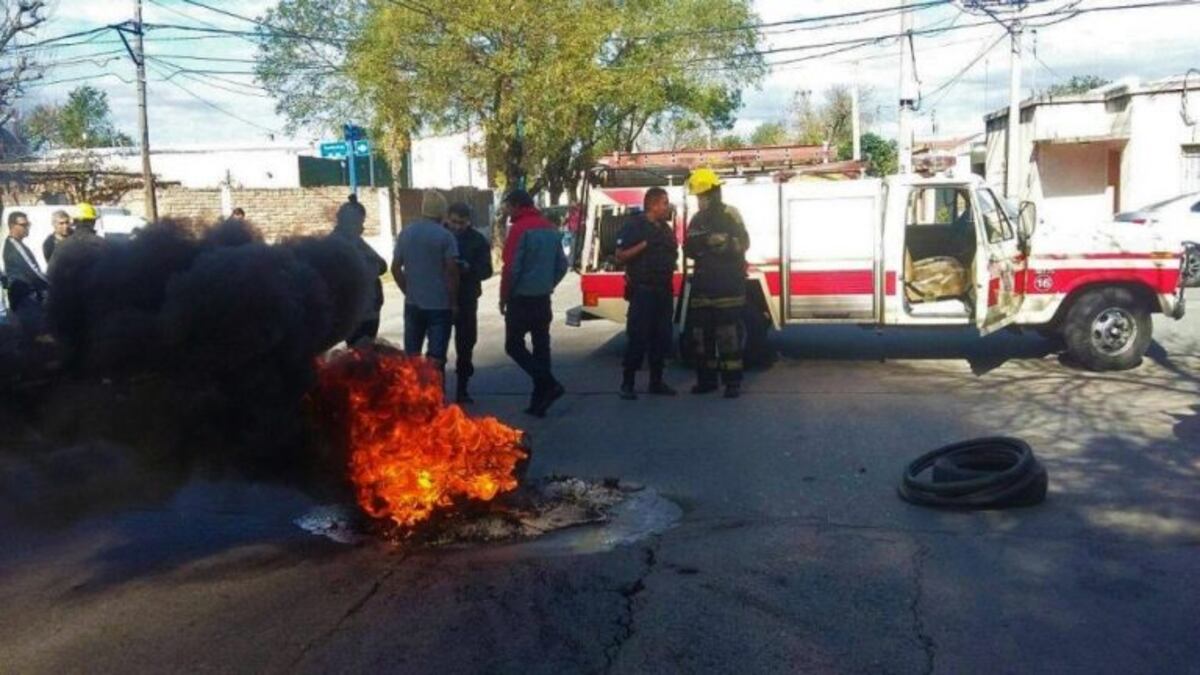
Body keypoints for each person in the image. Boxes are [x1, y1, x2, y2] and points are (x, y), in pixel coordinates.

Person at [500, 189, 569, 417]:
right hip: (542, 299)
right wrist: (548, 284)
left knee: (514, 346)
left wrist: (504, 296)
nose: (506, 210)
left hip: (521, 299)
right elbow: (562, 265)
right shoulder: (549, 228)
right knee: (541, 348)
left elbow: (511, 268)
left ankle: (549, 384)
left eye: (508, 205)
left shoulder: (519, 230)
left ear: (517, 205)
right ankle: (539, 403)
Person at [683, 168, 750, 399]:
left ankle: (732, 383)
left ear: (713, 194)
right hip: (703, 289)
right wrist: (705, 242)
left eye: (702, 196)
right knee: (701, 338)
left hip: (728, 287)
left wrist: (722, 243)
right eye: (697, 197)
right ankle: (706, 380)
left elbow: (744, 243)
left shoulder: (731, 214)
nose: (699, 201)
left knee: (728, 336)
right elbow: (688, 247)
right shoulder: (696, 219)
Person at [615, 187, 678, 400]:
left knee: (661, 338)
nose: (666, 207)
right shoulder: (635, 226)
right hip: (643, 291)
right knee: (638, 338)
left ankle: (656, 381)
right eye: (663, 203)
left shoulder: (665, 229)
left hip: (663, 290)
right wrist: (644, 245)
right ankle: (628, 383)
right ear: (652, 204)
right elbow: (621, 255)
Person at [393, 190, 459, 383]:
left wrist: (408, 290)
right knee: (435, 360)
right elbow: (452, 272)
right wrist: (454, 303)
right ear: (442, 213)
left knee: (412, 357)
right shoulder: (445, 237)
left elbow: (395, 268)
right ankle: (435, 400)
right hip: (440, 306)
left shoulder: (406, 233)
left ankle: (413, 401)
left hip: (413, 305)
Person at [445, 202, 493, 404]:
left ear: (468, 222)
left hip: (467, 298)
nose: (457, 227)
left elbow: (487, 270)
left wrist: (468, 268)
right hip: (443, 299)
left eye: (462, 223)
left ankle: (462, 389)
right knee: (438, 347)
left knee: (465, 345)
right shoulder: (441, 236)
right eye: (454, 222)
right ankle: (436, 391)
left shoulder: (477, 240)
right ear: (448, 218)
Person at [333, 197, 387, 345]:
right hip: (358, 310)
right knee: (360, 354)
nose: (362, 226)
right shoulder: (342, 244)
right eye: (361, 222)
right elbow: (379, 266)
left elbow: (382, 265)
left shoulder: (353, 240)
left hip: (365, 308)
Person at [2, 211, 50, 331]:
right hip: (25, 299)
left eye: (28, 224)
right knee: (39, 337)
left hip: (25, 299)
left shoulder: (17, 244)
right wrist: (51, 285)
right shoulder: (15, 246)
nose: (27, 227)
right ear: (12, 226)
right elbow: (33, 271)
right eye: (24, 224)